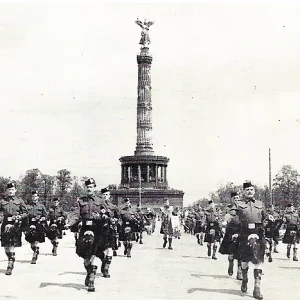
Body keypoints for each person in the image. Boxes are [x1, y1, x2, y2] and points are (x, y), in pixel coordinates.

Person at [234, 181, 266, 300]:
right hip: (244, 233)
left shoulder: (260, 204)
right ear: (243, 191)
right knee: (244, 261)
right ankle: (245, 279)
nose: (249, 191)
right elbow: (232, 218)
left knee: (258, 260)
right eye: (247, 190)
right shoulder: (238, 204)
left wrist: (269, 221)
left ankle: (257, 289)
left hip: (258, 233)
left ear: (254, 191)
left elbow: (265, 217)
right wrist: (234, 231)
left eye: (251, 189)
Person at [0, 182, 28, 275]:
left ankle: (10, 265)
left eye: (12, 189)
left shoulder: (19, 201)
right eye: (9, 189)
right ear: (7, 191)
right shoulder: (2, 201)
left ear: (15, 190)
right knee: (6, 247)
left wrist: (19, 217)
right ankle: (11, 258)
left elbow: (25, 212)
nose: (10, 191)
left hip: (15, 224)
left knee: (12, 245)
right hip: (5, 224)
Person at [219, 192, 242, 279]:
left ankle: (239, 272)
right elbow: (225, 218)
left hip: (240, 232)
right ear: (232, 199)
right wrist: (224, 223)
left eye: (238, 198)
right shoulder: (229, 208)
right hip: (230, 233)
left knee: (241, 254)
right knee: (231, 253)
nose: (237, 199)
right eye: (235, 198)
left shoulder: (243, 207)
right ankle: (231, 264)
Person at [100, 187, 121, 278]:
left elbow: (119, 218)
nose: (105, 196)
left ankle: (106, 269)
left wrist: (115, 221)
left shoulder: (113, 207)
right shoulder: (98, 205)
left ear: (109, 196)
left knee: (109, 248)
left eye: (107, 194)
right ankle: (104, 261)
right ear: (102, 195)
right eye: (104, 194)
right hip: (100, 230)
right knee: (100, 250)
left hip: (110, 230)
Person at [25, 190, 48, 264]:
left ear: (38, 197)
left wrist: (42, 218)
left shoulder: (41, 206)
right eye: (33, 196)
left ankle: (34, 255)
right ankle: (35, 249)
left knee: (36, 239)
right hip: (30, 224)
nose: (34, 198)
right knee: (31, 243)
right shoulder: (27, 206)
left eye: (35, 196)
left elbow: (46, 215)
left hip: (39, 224)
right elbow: (25, 215)